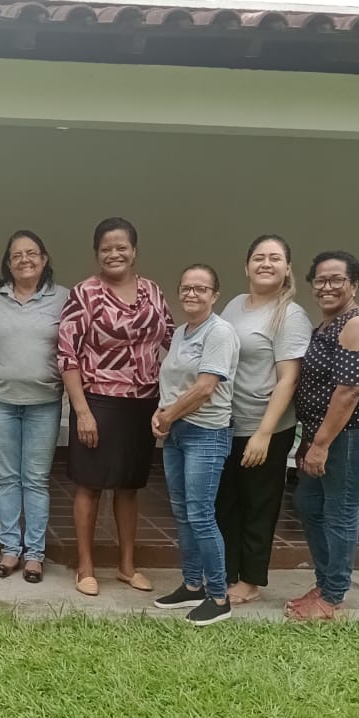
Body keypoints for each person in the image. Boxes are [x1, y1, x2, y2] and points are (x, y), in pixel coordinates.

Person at [58, 216, 174, 596]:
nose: (114, 253)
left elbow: (174, 341)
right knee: (90, 486)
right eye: (106, 248)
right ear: (96, 254)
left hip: (143, 404)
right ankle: (86, 567)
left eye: (121, 247)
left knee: (129, 487)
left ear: (134, 251)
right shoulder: (84, 294)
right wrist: (82, 412)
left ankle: (126, 565)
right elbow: (67, 356)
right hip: (98, 402)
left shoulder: (153, 292)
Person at [287, 251, 359, 621]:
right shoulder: (326, 326)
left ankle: (332, 597)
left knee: (339, 511)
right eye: (320, 280)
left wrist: (320, 445)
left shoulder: (357, 324)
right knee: (308, 504)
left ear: (354, 284)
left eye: (337, 280)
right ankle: (326, 582)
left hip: (355, 432)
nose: (327, 287)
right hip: (327, 433)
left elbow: (349, 391)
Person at [216, 235, 312, 604]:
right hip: (228, 421)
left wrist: (264, 434)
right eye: (259, 257)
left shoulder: (290, 315)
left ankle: (250, 580)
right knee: (226, 500)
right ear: (246, 266)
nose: (266, 264)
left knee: (258, 503)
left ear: (288, 268)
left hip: (264, 426)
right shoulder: (236, 305)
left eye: (275, 258)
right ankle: (225, 571)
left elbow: (289, 377)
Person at [0, 230, 68, 583]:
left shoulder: (64, 298)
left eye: (32, 253)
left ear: (44, 259)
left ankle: (35, 555)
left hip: (44, 403)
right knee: (7, 478)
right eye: (16, 255)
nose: (24, 260)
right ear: (8, 263)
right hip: (0, 401)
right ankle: (10, 550)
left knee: (35, 480)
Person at [152, 265, 240, 626]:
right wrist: (160, 413)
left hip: (206, 433)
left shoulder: (219, 332)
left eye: (201, 288)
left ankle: (218, 596)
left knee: (201, 514)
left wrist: (168, 415)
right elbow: (173, 381)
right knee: (183, 513)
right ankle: (191, 585)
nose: (192, 294)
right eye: (186, 287)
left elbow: (206, 388)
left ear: (214, 294)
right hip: (177, 433)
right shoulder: (181, 333)